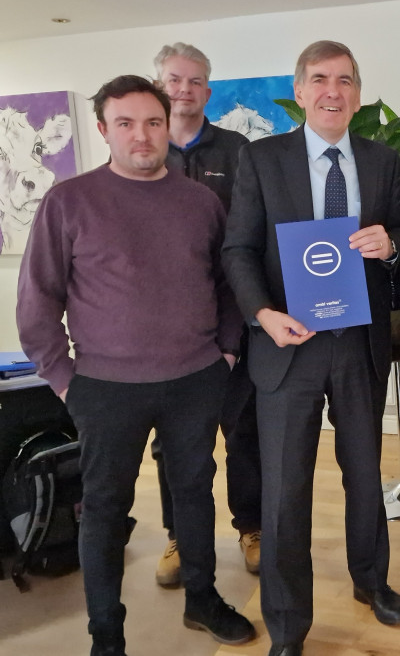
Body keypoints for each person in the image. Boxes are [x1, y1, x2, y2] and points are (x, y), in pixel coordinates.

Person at [16, 75, 255, 656]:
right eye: (125, 123)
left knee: (195, 492)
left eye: (153, 122)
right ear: (104, 131)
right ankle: (107, 632)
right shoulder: (67, 202)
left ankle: (202, 597)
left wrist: (224, 352)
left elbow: (227, 284)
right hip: (104, 387)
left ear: (168, 126)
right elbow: (37, 301)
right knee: (103, 508)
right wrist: (65, 378)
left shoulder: (200, 202)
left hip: (196, 379)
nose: (142, 135)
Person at [222, 40, 400, 656]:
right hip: (288, 347)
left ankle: (372, 582)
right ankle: (287, 623)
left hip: (358, 344)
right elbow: (238, 250)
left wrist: (392, 243)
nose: (334, 90)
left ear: (358, 93)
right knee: (285, 493)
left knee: (365, 474)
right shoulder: (262, 159)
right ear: (299, 91)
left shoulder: (382, 161)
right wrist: (262, 315)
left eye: (346, 80)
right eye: (321, 79)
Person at [148, 41, 261, 586]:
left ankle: (253, 527)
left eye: (194, 82)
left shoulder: (238, 151)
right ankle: (178, 537)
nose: (184, 90)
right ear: (160, 85)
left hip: (229, 313)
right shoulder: (141, 151)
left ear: (208, 90)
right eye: (174, 80)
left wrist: (238, 325)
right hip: (165, 328)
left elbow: (249, 238)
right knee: (174, 442)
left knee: (243, 430)